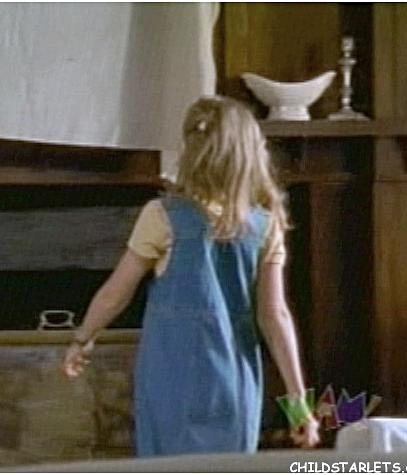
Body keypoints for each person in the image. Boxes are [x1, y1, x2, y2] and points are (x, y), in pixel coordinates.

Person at [61, 96, 320, 456]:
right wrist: (298, 404)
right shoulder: (265, 225)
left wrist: (83, 338)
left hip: (170, 376)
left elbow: (115, 293)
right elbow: (275, 315)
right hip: (234, 380)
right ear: (250, 155)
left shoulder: (161, 215)